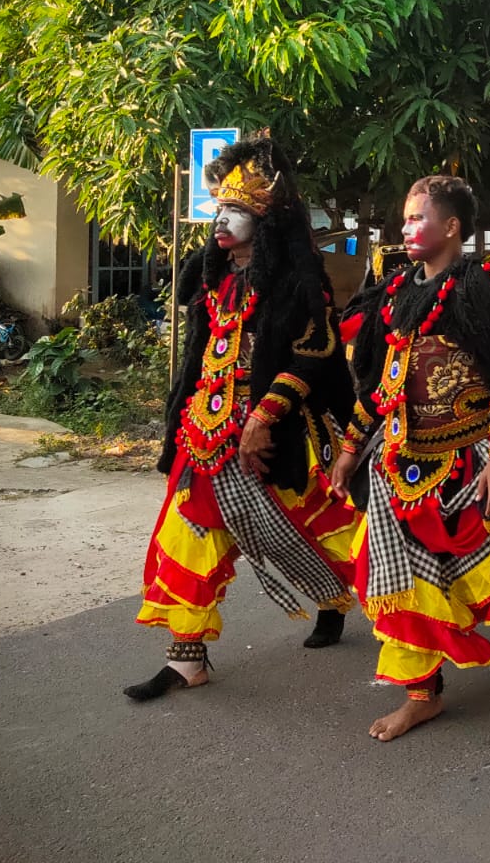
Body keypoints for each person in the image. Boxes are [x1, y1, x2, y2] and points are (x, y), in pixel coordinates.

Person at [329, 175, 490, 742]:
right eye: (405, 219)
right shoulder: (398, 293)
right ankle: (422, 695)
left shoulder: (479, 287)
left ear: (453, 226)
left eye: (418, 218)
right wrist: (348, 449)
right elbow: (384, 386)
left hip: (474, 455)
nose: (406, 228)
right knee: (395, 579)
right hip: (401, 461)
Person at [127, 138, 360, 702]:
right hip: (202, 435)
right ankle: (187, 660)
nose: (220, 221)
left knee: (321, 528)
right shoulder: (214, 278)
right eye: (218, 210)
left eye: (235, 212)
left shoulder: (295, 281)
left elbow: (317, 349)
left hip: (274, 436)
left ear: (266, 222)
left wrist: (264, 415)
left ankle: (378, 602)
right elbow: (196, 360)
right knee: (186, 534)